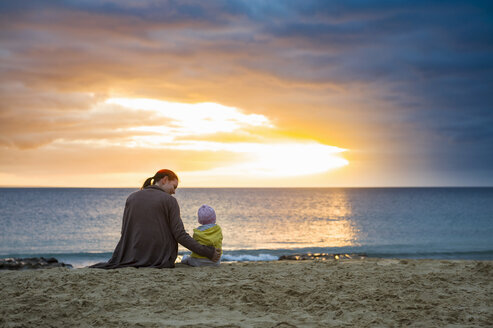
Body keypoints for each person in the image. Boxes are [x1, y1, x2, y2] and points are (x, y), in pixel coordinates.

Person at [90, 169, 221, 269]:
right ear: (164, 180)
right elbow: (180, 235)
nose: (174, 191)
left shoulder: (131, 197)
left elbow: (125, 232)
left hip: (131, 255)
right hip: (159, 259)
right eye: (174, 186)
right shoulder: (170, 201)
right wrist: (207, 252)